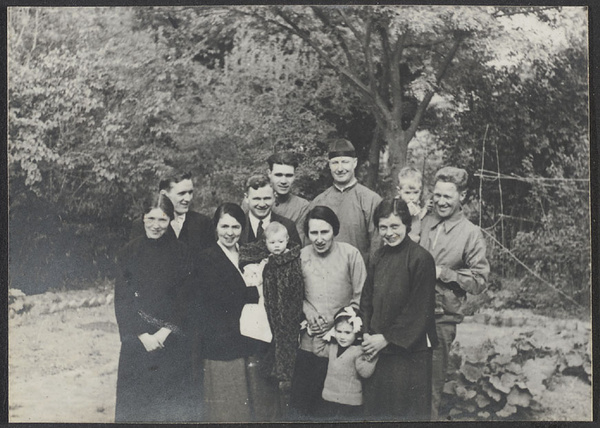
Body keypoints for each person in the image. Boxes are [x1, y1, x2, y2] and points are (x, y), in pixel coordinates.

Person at [114, 194, 195, 422]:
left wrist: (164, 332)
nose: (156, 226)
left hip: (172, 341)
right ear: (142, 218)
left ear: (170, 221)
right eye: (151, 219)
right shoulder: (128, 252)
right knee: (136, 407)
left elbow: (186, 297)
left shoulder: (182, 252)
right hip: (137, 342)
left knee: (170, 408)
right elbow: (122, 298)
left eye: (162, 220)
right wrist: (142, 334)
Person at [418, 167, 490, 420]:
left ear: (463, 195)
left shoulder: (470, 234)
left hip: (440, 319)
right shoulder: (423, 221)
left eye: (448, 196)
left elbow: (480, 281)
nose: (441, 201)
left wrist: (443, 273)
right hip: (409, 314)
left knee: (431, 388)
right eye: (437, 195)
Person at [360, 198, 438, 421]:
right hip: (377, 350)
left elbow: (419, 309)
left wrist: (386, 339)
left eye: (395, 226)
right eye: (383, 227)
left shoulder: (421, 259)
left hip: (409, 353)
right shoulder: (378, 257)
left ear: (407, 225)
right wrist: (366, 332)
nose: (389, 233)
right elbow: (366, 300)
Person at [289, 206, 367, 420]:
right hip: (309, 341)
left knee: (335, 411)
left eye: (325, 232)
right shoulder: (300, 256)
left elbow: (361, 296)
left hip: (340, 345)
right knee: (304, 408)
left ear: (335, 230)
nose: (319, 239)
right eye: (314, 233)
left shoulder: (351, 255)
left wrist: (336, 325)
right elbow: (293, 294)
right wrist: (307, 310)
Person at [190, 203, 261, 422]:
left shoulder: (248, 254)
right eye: (225, 226)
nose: (230, 233)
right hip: (221, 343)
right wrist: (250, 294)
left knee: (251, 408)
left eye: (236, 227)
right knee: (228, 409)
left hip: (249, 340)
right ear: (215, 227)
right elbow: (219, 299)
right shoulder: (206, 257)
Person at [238, 222, 305, 419]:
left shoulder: (291, 260)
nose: (277, 245)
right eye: (272, 242)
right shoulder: (266, 262)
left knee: (286, 355)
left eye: (281, 241)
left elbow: (295, 290)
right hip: (269, 313)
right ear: (265, 243)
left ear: (287, 241)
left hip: (288, 313)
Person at [309, 139, 382, 265]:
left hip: (360, 275)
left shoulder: (371, 200)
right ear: (329, 165)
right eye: (335, 163)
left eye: (345, 162)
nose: (340, 168)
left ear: (354, 163)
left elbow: (377, 246)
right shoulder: (318, 202)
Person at [311, 306, 377, 421]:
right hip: (329, 397)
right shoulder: (332, 347)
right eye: (339, 331)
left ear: (356, 332)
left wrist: (371, 357)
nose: (342, 336)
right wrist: (324, 334)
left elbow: (365, 372)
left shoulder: (358, 350)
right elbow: (318, 349)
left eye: (347, 332)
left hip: (349, 402)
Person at [130, 172, 214, 255]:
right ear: (164, 194)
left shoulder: (204, 223)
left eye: (190, 193)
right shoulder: (142, 224)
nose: (188, 199)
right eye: (182, 193)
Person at [242, 152, 310, 241]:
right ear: (269, 173)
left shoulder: (302, 206)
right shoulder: (251, 200)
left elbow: (298, 243)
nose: (283, 181)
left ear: (295, 176)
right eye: (278, 175)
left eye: (289, 175)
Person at [240, 174, 302, 246]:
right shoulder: (237, 225)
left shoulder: (288, 226)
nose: (262, 204)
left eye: (267, 198)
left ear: (274, 197)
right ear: (246, 198)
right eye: (256, 199)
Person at [397, 166, 429, 242]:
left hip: (415, 242)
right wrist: (406, 213)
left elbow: (418, 218)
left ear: (420, 191)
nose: (412, 197)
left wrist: (425, 209)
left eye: (416, 192)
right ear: (399, 191)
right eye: (407, 193)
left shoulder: (416, 205)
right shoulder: (397, 205)